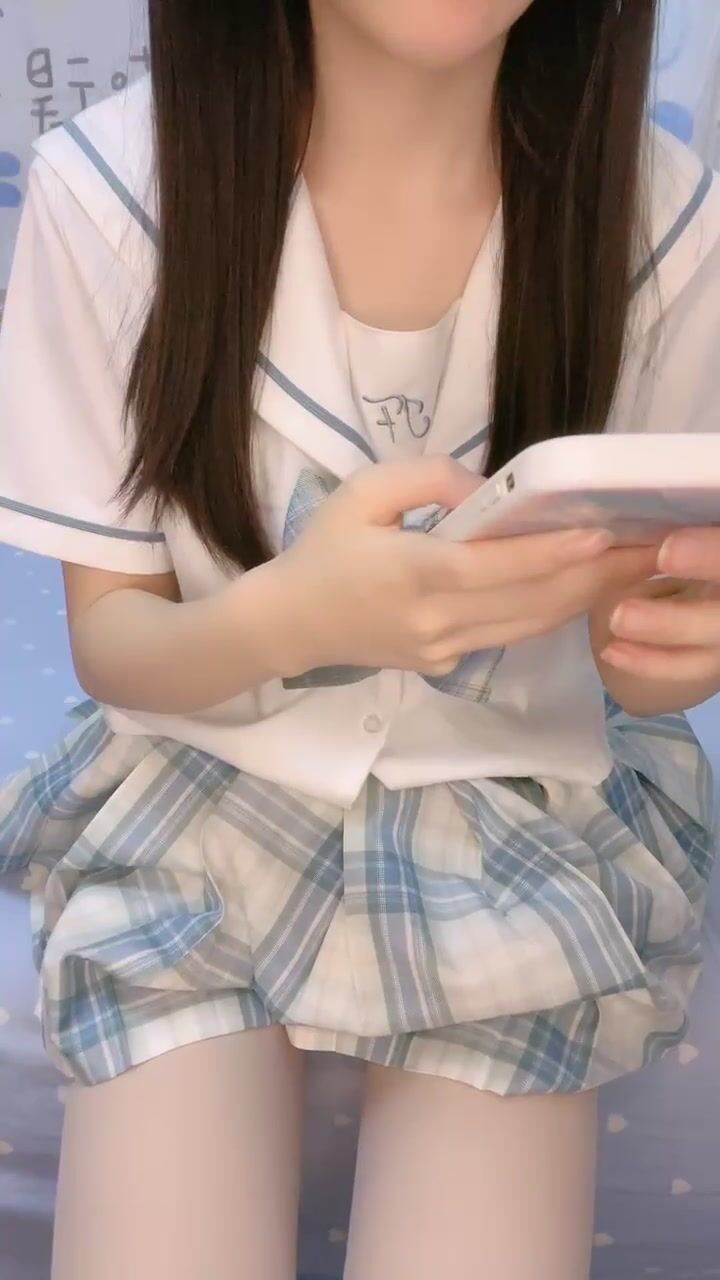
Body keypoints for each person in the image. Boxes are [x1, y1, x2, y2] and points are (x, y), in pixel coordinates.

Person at [0, 2, 719, 1277]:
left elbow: (634, 643)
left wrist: (676, 640)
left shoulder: (663, 220)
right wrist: (297, 617)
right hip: (201, 807)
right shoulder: (108, 193)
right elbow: (116, 639)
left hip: (516, 829)